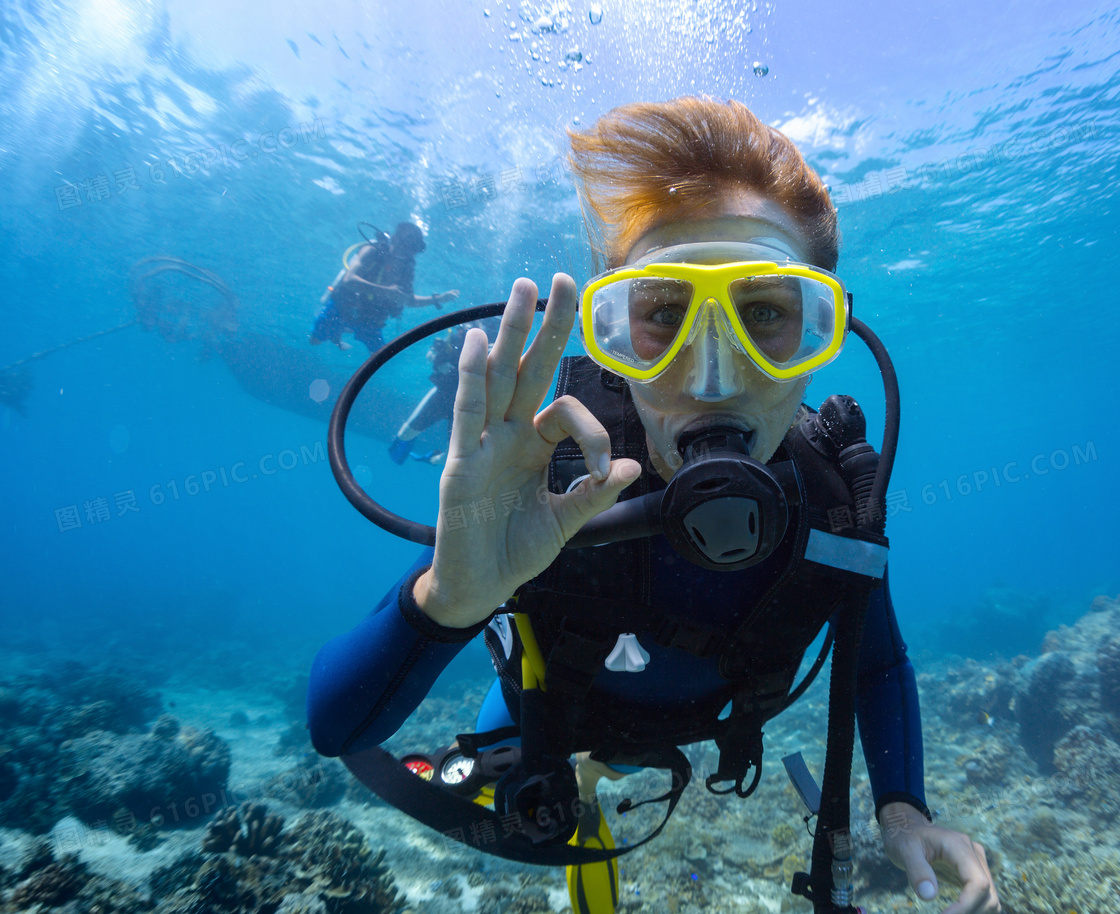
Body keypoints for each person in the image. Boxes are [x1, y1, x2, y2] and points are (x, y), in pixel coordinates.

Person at [307, 98, 1000, 914]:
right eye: (663, 316)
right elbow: (337, 732)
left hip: (710, 722)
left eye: (768, 314)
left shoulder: (833, 504)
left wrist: (902, 809)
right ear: (614, 338)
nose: (712, 377)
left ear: (823, 336)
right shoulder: (552, 474)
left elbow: (878, 662)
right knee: (518, 785)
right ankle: (572, 774)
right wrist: (448, 600)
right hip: (552, 713)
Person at [309, 221, 459, 352]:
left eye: (415, 246)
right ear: (395, 238)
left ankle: (339, 333)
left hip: (371, 321)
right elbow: (349, 280)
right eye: (407, 241)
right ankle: (337, 335)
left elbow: (409, 301)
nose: (408, 249)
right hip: (343, 309)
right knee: (314, 341)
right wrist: (386, 291)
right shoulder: (373, 251)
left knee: (380, 357)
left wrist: (438, 299)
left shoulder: (407, 270)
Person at [388, 319, 501, 465]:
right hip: (442, 395)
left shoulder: (495, 349)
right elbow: (432, 354)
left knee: (454, 456)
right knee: (405, 434)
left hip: (468, 405)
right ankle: (404, 453)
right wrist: (436, 358)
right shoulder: (454, 339)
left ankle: (431, 459)